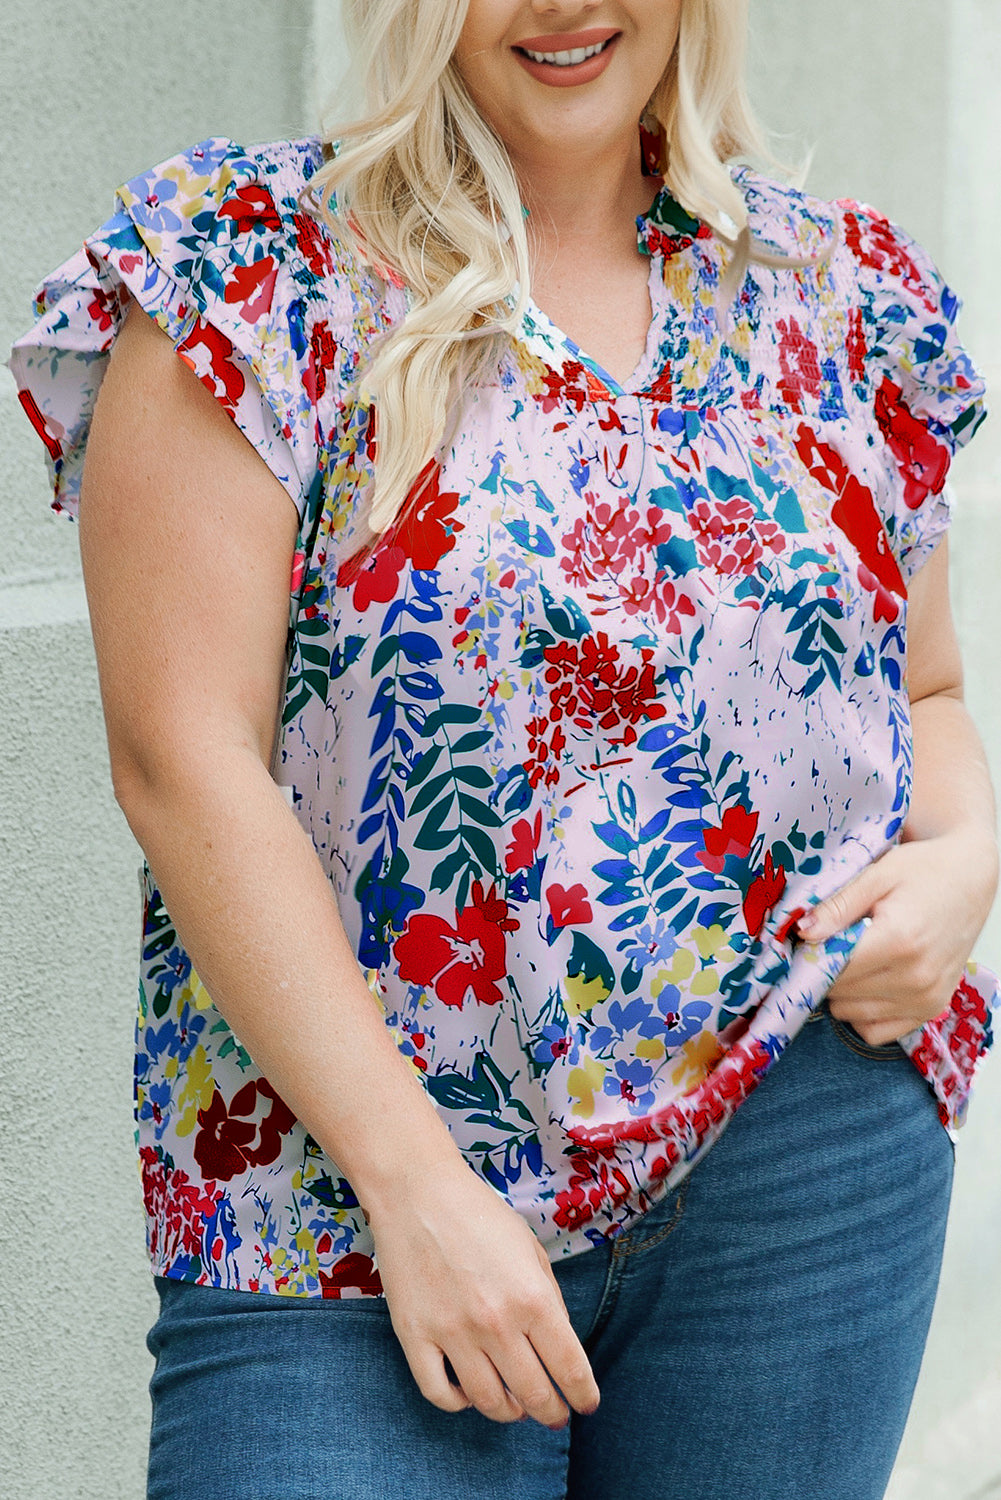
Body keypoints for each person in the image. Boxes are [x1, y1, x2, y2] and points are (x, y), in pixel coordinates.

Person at [9, 1, 1000, 1496]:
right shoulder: (248, 263)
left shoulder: (840, 291)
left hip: (801, 1157)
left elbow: (920, 692)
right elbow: (178, 756)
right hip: (341, 1197)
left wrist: (967, 859)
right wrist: (416, 1191)